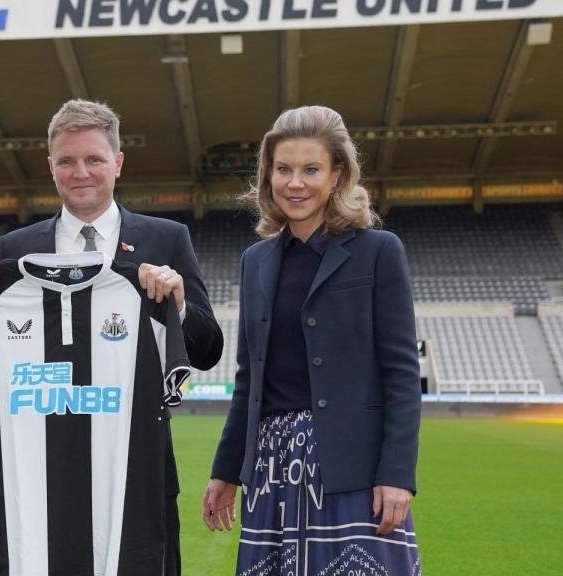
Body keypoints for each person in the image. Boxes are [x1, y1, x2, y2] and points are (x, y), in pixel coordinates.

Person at [0, 98, 223, 575]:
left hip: (134, 475)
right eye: (67, 161)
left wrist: (178, 303)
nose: (81, 172)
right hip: (40, 477)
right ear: (51, 168)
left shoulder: (167, 238)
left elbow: (207, 352)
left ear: (118, 163)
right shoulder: (16, 248)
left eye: (94, 159)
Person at [203, 105, 422, 575]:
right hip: (271, 468)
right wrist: (226, 472)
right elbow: (249, 377)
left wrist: (396, 475)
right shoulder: (255, 261)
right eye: (283, 169)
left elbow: (402, 372)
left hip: (351, 467)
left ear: (337, 174)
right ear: (268, 176)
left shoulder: (379, 251)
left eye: (310, 170)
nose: (294, 183)